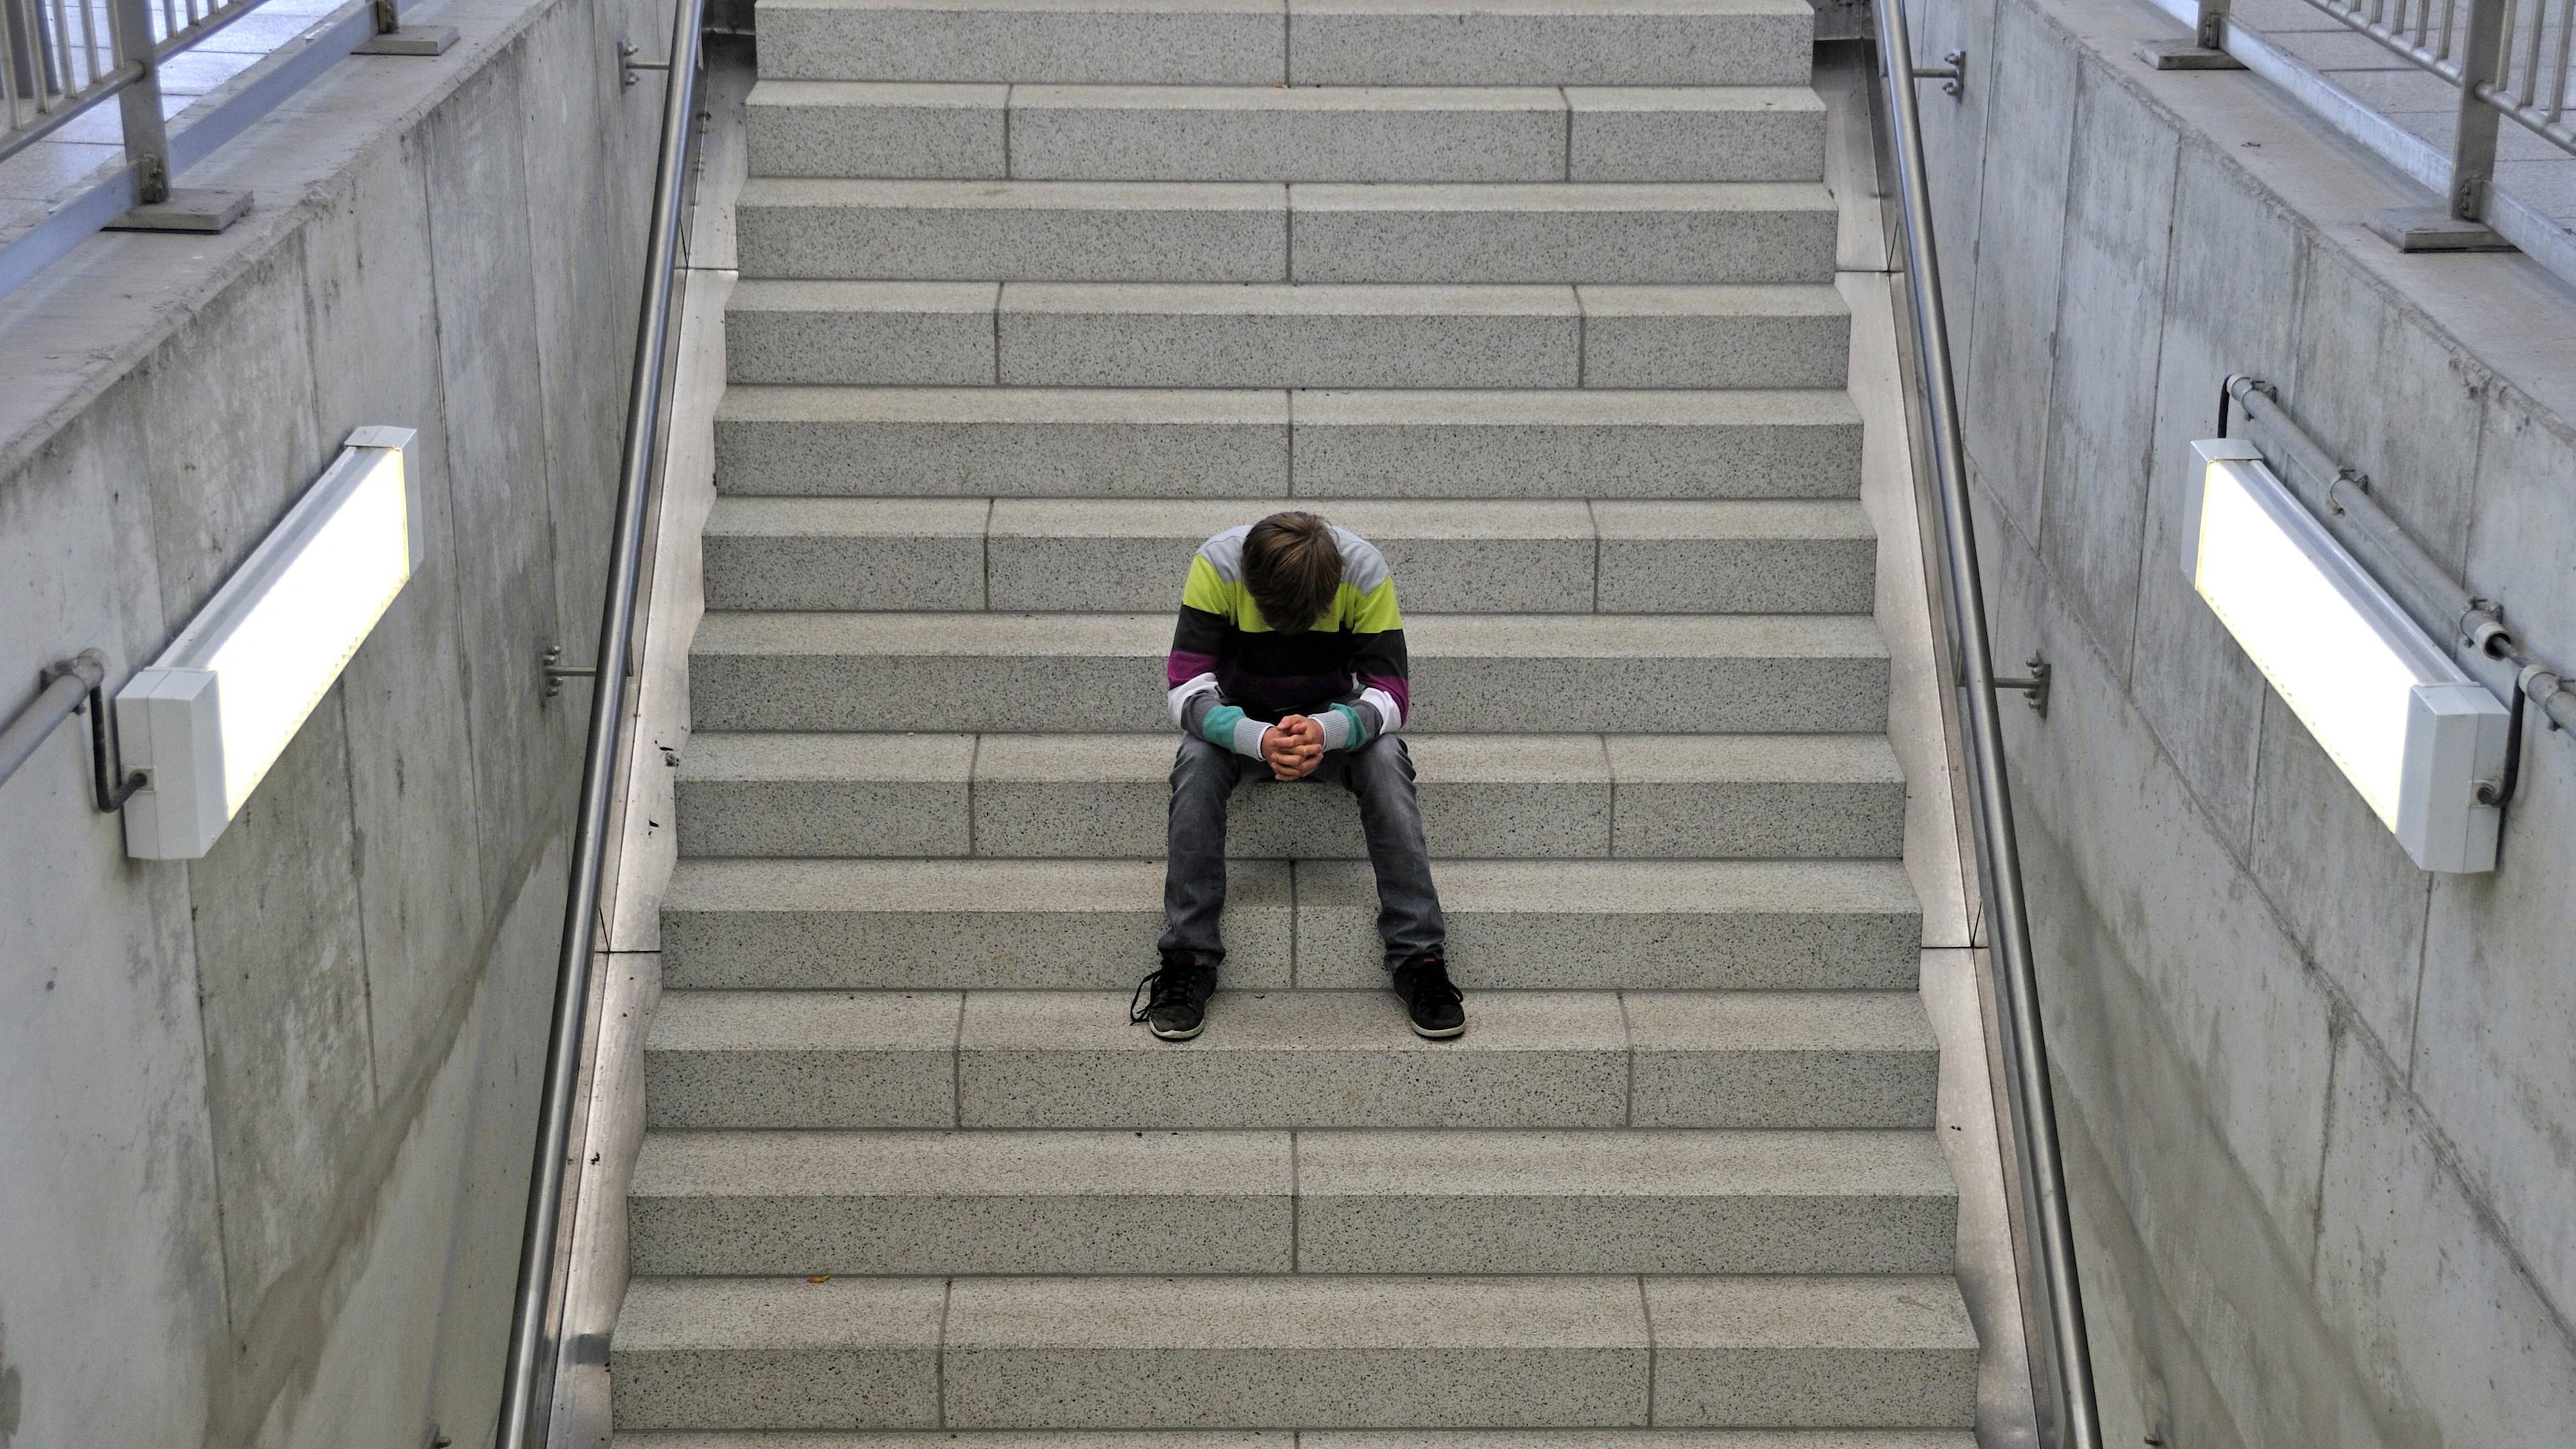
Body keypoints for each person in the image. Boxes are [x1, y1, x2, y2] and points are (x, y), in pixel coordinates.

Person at [1130, 511, 1464, 1043]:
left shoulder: (1364, 570)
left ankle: (1418, 958)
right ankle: (1189, 958)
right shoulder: (1217, 565)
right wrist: (1258, 739)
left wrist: (1324, 731)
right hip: (1238, 725)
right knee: (1195, 762)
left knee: (1386, 759)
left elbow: (1391, 694)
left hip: (1333, 724)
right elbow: (1186, 686)